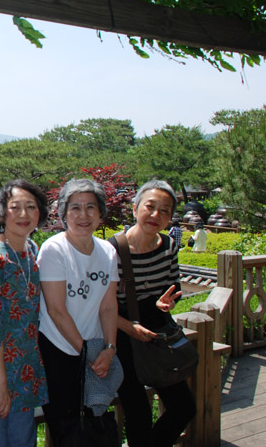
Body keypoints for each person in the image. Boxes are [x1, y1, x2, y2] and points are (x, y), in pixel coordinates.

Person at [109, 180, 196, 447]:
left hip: (156, 334)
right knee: (138, 415)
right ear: (135, 209)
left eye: (165, 210)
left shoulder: (169, 246)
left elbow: (172, 288)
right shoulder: (112, 250)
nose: (156, 215)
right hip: (121, 336)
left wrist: (165, 304)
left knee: (183, 408)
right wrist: (128, 327)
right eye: (150, 207)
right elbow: (99, 306)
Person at [37, 178, 120, 445]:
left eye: (90, 207)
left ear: (100, 213)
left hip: (94, 350)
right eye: (75, 208)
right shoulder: (54, 249)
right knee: (68, 431)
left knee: (93, 424)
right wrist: (86, 354)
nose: (83, 215)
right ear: (63, 213)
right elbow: (56, 310)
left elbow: (108, 306)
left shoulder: (108, 251)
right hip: (59, 351)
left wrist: (109, 348)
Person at [0, 179, 49, 447]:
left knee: (24, 440)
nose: (23, 214)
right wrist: (1, 384)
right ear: (1, 212)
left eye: (31, 207)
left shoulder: (31, 250)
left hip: (25, 367)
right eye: (15, 207)